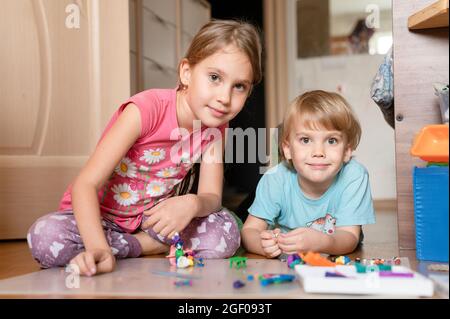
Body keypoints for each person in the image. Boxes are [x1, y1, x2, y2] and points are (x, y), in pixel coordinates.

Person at [27, 19, 262, 276]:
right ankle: (142, 246)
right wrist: (98, 247)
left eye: (239, 86)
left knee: (226, 232)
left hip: (152, 221)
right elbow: (86, 184)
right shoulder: (144, 110)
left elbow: (212, 197)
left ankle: (134, 245)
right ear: (186, 72)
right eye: (215, 77)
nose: (224, 98)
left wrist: (192, 204)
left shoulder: (217, 125)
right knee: (45, 236)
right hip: (100, 220)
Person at [241, 90, 375, 258]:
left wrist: (321, 242)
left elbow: (349, 236)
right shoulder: (275, 179)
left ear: (347, 150)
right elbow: (250, 231)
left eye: (331, 140)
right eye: (305, 140)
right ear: (288, 149)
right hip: (285, 264)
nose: (318, 152)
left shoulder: (354, 176)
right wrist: (263, 246)